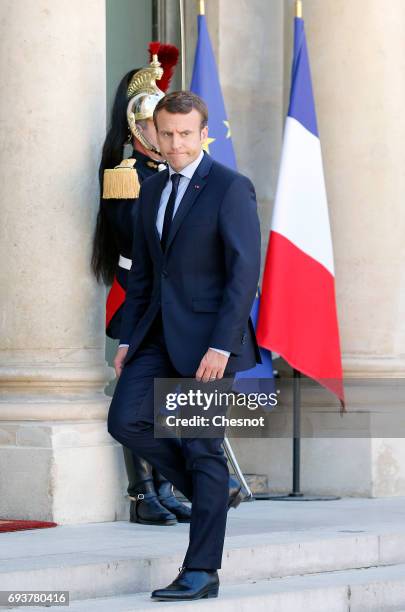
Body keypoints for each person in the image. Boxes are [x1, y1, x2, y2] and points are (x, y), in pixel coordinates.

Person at [107, 90, 261, 601]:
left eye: (185, 134)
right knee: (125, 421)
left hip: (208, 345)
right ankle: (212, 489)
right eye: (166, 134)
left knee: (200, 448)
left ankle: (201, 572)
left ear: (202, 133)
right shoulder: (150, 192)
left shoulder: (231, 188)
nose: (175, 145)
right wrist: (129, 336)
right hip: (154, 334)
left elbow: (243, 276)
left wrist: (221, 346)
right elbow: (145, 276)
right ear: (153, 133)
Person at [91, 44, 191, 526]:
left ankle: (168, 485)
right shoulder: (127, 177)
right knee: (139, 393)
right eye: (159, 128)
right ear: (139, 128)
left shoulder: (176, 177)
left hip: (174, 300)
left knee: (169, 393)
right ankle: (143, 492)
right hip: (139, 292)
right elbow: (138, 240)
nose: (168, 138)